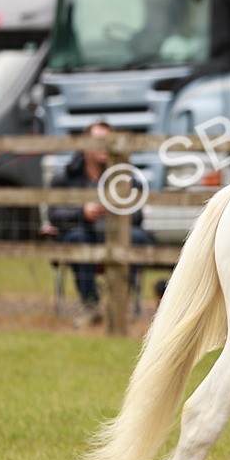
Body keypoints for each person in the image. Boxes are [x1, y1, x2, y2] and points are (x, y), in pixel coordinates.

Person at [46, 120, 153, 327]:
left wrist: (117, 210)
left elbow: (139, 216)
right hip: (84, 234)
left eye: (109, 141)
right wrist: (82, 212)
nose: (105, 146)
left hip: (115, 234)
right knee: (77, 238)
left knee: (137, 237)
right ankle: (90, 305)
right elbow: (54, 215)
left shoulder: (124, 177)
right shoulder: (65, 178)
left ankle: (122, 302)